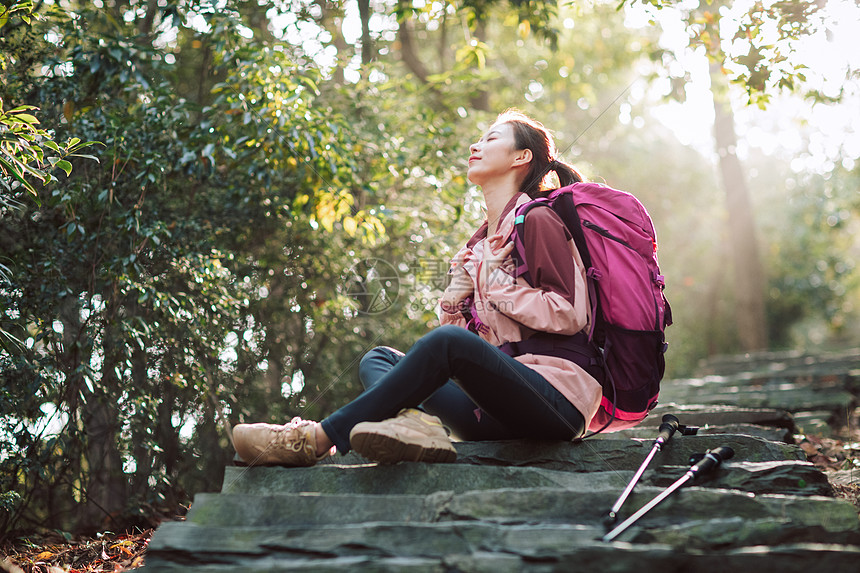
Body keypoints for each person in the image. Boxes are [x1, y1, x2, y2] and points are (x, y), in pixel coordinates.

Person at [232, 109, 603, 467]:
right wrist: (457, 304)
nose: (475, 146)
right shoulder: (480, 245)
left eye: (490, 138)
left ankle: (315, 439)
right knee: (380, 359)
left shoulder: (538, 219)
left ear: (522, 157)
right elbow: (478, 351)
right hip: (499, 412)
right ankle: (417, 426)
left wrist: (490, 279)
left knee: (446, 344)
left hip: (556, 403)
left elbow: (568, 313)